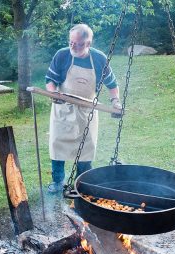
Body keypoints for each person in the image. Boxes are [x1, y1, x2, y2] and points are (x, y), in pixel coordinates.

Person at [45, 23, 121, 193]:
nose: (73, 46)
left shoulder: (100, 59)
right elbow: (50, 80)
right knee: (58, 146)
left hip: (87, 111)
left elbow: (112, 84)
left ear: (88, 43)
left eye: (78, 44)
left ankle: (83, 183)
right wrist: (54, 94)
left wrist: (116, 101)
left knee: (86, 148)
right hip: (63, 108)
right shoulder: (62, 55)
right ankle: (58, 182)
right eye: (71, 42)